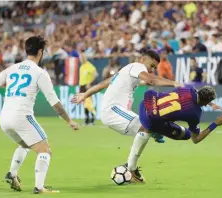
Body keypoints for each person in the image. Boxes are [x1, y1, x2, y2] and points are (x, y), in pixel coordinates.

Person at [0, 36, 79, 194]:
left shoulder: (12, 68)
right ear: (40, 52)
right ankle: (39, 187)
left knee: (26, 144)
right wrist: (69, 120)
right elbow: (55, 102)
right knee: (45, 150)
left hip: (4, 119)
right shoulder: (39, 73)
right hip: (22, 117)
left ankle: (12, 173)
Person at [71, 49, 181, 179]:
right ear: (143, 59)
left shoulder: (126, 70)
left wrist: (85, 94)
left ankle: (133, 166)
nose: (151, 70)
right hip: (113, 109)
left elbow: (104, 83)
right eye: (151, 66)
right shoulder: (136, 66)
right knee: (148, 125)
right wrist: (173, 82)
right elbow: (151, 80)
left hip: (114, 111)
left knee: (148, 127)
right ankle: (132, 168)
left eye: (154, 68)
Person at [127, 86, 222, 182]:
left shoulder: (188, 89)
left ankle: (155, 129)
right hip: (150, 121)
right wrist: (215, 124)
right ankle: (153, 132)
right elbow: (196, 139)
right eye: (207, 103)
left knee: (161, 118)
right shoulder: (194, 113)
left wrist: (211, 104)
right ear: (205, 102)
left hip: (145, 104)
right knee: (187, 134)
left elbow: (198, 94)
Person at [79, 53, 98, 125]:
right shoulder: (82, 67)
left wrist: (89, 83)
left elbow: (95, 74)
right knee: (84, 103)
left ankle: (92, 119)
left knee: (89, 103)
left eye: (82, 58)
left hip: (87, 87)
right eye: (80, 58)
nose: (81, 59)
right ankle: (87, 120)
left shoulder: (89, 65)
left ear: (85, 58)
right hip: (82, 86)